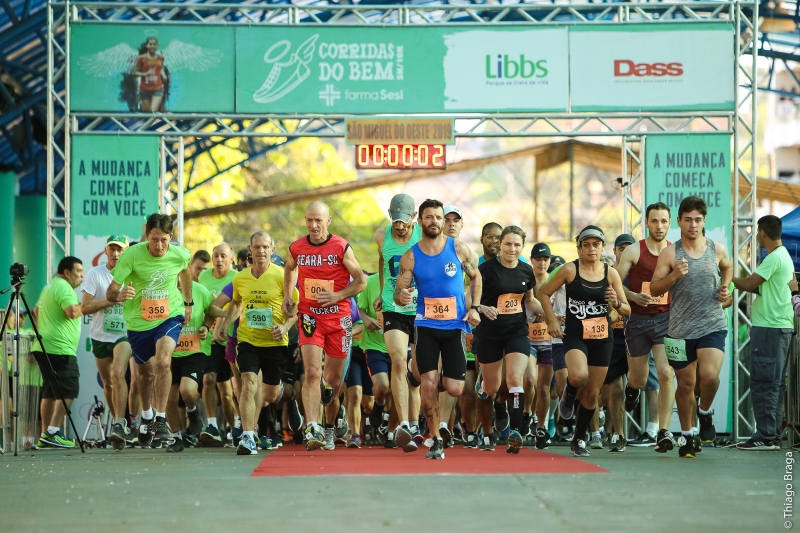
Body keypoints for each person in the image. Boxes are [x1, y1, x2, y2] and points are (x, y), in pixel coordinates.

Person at [394, 199, 481, 460]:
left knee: (454, 388)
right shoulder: (411, 256)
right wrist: (402, 297)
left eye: (439, 217)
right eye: (429, 217)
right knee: (429, 384)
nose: (435, 221)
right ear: (420, 221)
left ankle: (434, 380)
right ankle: (434, 439)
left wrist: (475, 307)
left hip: (455, 326)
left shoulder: (459, 249)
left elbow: (476, 276)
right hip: (426, 326)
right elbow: (398, 292)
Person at [650, 195, 732, 458]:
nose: (693, 225)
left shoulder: (717, 249)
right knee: (685, 385)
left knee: (709, 377)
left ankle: (705, 412)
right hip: (680, 329)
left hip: (712, 324)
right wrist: (674, 275)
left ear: (704, 221)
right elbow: (654, 288)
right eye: (687, 220)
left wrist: (725, 288)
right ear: (679, 221)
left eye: (697, 220)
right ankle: (687, 436)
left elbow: (728, 267)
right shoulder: (670, 253)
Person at [539, 225, 630, 457]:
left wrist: (616, 303)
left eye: (596, 244)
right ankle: (569, 392)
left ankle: (579, 439)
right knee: (579, 376)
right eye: (586, 245)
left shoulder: (610, 273)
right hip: (576, 335)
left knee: (592, 392)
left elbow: (627, 310)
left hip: (602, 337)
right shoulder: (569, 269)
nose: (591, 249)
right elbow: (543, 293)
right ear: (579, 248)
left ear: (602, 247)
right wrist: (551, 320)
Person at [282, 201, 367, 451]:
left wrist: (338, 295)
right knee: (311, 373)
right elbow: (290, 268)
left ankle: (330, 425)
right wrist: (288, 294)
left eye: (318, 220)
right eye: (309, 220)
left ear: (328, 221)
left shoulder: (341, 247)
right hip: (310, 317)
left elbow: (360, 282)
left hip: (339, 320)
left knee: (332, 383)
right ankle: (312, 427)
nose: (313, 225)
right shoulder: (297, 247)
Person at [106, 213, 193, 450]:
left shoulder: (179, 254)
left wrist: (188, 302)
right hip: (139, 322)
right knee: (145, 375)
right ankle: (146, 417)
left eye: (164, 240)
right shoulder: (131, 256)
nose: (160, 246)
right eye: (155, 240)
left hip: (169, 316)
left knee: (163, 363)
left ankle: (160, 419)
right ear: (147, 236)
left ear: (170, 237)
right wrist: (119, 295)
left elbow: (185, 271)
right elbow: (111, 292)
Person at [216, 231, 299, 455]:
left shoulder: (282, 276)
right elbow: (236, 304)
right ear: (250, 250)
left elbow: (296, 308)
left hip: (274, 343)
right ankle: (248, 436)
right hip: (248, 340)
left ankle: (288, 396)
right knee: (248, 385)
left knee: (269, 395)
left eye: (265, 247)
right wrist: (225, 324)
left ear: (272, 250)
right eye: (257, 247)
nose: (261, 251)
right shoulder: (240, 278)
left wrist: (284, 327)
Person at [474, 226, 544, 454]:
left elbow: (529, 301)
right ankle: (485, 385)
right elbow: (470, 300)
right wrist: (482, 308)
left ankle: (515, 432)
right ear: (500, 244)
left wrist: (551, 314)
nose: (512, 249)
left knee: (515, 379)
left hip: (516, 332)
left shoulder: (526, 271)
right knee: (492, 387)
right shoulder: (485, 270)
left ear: (522, 247)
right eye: (508, 244)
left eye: (517, 245)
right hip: (489, 333)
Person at [615, 203, 674, 451]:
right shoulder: (633, 250)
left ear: (670, 223)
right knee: (638, 379)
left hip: (665, 320)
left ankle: (663, 431)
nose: (659, 226)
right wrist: (632, 296)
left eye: (663, 221)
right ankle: (632, 389)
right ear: (646, 223)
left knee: (666, 373)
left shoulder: (675, 251)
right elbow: (614, 281)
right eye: (654, 221)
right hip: (637, 320)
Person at [733, 215, 794, 451]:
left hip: (770, 328)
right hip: (778, 327)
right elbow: (761, 288)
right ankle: (771, 435)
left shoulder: (774, 257)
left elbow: (750, 284)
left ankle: (765, 436)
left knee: (764, 382)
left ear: (761, 232)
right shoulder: (783, 256)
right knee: (774, 384)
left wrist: (727, 279)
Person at [373, 193, 422, 452]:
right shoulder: (382, 235)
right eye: (396, 220)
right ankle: (404, 425)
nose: (400, 226)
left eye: (405, 221)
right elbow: (382, 260)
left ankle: (403, 422)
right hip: (394, 308)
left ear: (414, 217)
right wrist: (383, 291)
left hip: (421, 309)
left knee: (419, 371)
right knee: (398, 362)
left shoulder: (423, 236)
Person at [81, 235, 137, 450]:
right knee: (108, 383)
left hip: (125, 335)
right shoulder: (95, 274)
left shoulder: (133, 275)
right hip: (100, 336)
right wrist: (113, 299)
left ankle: (120, 424)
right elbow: (85, 308)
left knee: (117, 373)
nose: (115, 253)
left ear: (126, 252)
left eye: (120, 250)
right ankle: (116, 424)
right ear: (105, 251)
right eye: (111, 249)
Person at [31, 257, 84, 448]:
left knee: (50, 392)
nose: (82, 276)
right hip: (59, 349)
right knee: (68, 389)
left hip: (45, 346)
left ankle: (46, 435)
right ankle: (53, 431)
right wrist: (88, 303)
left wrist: (47, 329)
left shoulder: (50, 285)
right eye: (79, 271)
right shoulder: (63, 286)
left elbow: (35, 312)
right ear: (67, 272)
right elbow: (72, 312)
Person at [165, 275, 219, 452]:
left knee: (187, 390)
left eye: (183, 276)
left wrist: (206, 326)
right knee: (169, 397)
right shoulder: (163, 289)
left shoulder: (200, 290)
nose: (179, 281)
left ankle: (192, 409)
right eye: (176, 276)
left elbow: (212, 310)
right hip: (169, 351)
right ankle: (175, 437)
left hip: (194, 350)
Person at [198, 244, 237, 445]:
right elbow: (203, 305)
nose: (219, 260)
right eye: (216, 256)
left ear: (231, 259)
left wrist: (222, 325)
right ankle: (212, 425)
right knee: (208, 380)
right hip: (211, 339)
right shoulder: (203, 277)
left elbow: (235, 308)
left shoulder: (237, 278)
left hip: (232, 338)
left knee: (228, 392)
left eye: (223, 256)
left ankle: (235, 428)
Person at [603, 234, 636, 452]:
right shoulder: (607, 274)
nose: (624, 252)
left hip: (638, 334)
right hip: (614, 335)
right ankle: (619, 434)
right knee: (614, 387)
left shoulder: (643, 275)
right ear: (614, 251)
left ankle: (634, 390)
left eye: (629, 248)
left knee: (636, 379)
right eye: (621, 248)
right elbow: (608, 308)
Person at [358, 272, 391, 448]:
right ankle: (379, 404)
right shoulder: (370, 282)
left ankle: (390, 429)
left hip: (400, 346)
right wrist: (366, 319)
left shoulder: (411, 280)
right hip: (375, 345)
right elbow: (360, 308)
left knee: (397, 389)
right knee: (383, 386)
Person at [529, 243, 555, 450]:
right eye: (538, 259)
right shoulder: (525, 279)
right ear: (532, 261)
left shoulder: (556, 282)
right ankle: (527, 415)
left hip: (548, 340)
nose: (542, 263)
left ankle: (541, 426)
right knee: (529, 380)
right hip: (527, 339)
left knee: (544, 388)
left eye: (545, 259)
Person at [133, 36, 168, 112]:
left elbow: (160, 68)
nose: (152, 46)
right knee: (147, 113)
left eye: (154, 44)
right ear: (147, 45)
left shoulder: (161, 58)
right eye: (150, 44)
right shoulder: (141, 58)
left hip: (157, 88)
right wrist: (145, 74)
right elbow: (135, 72)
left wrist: (163, 75)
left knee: (153, 111)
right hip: (144, 89)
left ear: (157, 46)